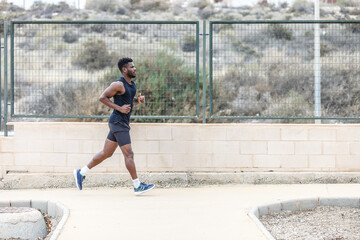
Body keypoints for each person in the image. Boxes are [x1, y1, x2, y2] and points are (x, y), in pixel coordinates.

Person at [73, 57, 155, 195]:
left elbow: (128, 99)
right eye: (132, 67)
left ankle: (81, 172)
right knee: (129, 154)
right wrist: (119, 108)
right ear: (124, 69)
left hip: (120, 123)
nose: (135, 69)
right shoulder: (118, 84)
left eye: (134, 67)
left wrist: (137, 100)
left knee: (107, 153)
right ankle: (137, 186)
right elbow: (102, 97)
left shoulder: (131, 84)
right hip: (118, 122)